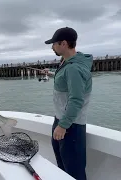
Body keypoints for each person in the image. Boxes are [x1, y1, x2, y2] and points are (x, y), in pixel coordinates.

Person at [43, 27, 93, 180]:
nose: (52, 47)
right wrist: (52, 74)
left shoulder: (74, 68)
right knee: (63, 169)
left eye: (54, 44)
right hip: (63, 121)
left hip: (71, 126)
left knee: (73, 172)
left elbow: (76, 100)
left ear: (63, 43)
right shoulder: (68, 63)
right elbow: (67, 82)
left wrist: (63, 125)